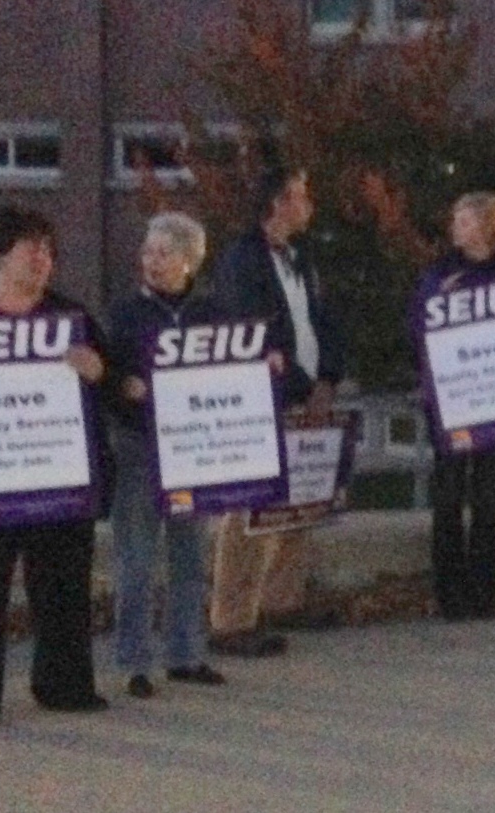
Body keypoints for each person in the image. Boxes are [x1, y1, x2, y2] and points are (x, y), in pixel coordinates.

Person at [0, 207, 110, 736]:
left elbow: (112, 378)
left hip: (56, 482)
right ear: (0, 253)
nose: (42, 259)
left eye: (49, 251)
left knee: (62, 586)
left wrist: (96, 368)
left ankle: (64, 685)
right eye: (31, 248)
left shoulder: (70, 319)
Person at [208, 166, 346, 657]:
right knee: (248, 510)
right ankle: (230, 619)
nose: (309, 205)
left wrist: (327, 379)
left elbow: (320, 320)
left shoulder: (302, 259)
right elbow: (249, 331)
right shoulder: (242, 260)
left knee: (299, 501)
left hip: (308, 394)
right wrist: (300, 385)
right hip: (265, 396)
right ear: (277, 203)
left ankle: (282, 598)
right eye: (301, 197)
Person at [104, 213, 230, 698]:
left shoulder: (212, 311)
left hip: (192, 448)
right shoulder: (122, 312)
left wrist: (265, 365)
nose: (150, 261)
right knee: (135, 558)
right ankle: (134, 661)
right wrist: (122, 385)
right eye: (148, 251)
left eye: (163, 253)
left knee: (190, 556)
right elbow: (103, 376)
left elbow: (229, 367)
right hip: (139, 444)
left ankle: (185, 654)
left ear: (189, 261)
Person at [413, 192, 495, 621]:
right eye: (455, 220)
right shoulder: (441, 272)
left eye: (464, 221)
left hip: (494, 398)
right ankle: (449, 595)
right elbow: (417, 323)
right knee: (447, 496)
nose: (455, 228)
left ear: (489, 228)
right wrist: (437, 300)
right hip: (451, 398)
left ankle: (483, 593)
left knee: (487, 497)